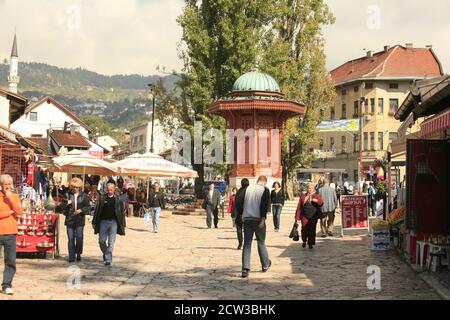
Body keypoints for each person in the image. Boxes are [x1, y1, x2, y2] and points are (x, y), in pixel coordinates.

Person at [236, 176, 271, 278]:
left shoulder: (247, 189)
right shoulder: (265, 190)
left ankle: (245, 268)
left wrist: (242, 213)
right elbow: (264, 205)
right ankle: (265, 264)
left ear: (257, 181)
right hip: (258, 219)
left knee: (247, 244)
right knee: (261, 242)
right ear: (264, 182)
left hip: (247, 219)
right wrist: (263, 219)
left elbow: (238, 201)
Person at [92, 181, 126, 266]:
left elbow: (122, 213)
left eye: (111, 189)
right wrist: (94, 222)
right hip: (103, 222)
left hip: (113, 222)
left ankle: (108, 259)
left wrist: (123, 223)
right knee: (101, 241)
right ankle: (107, 253)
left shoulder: (118, 199)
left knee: (111, 242)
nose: (109, 191)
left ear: (114, 190)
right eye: (108, 189)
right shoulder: (102, 198)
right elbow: (97, 211)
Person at [0, 175, 23, 295]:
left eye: (9, 184)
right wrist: (8, 212)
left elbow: (19, 212)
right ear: (1, 185)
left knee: (10, 261)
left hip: (11, 233)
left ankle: (7, 285)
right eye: (5, 184)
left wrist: (10, 199)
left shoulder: (14, 196)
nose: (7, 186)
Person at [59, 178, 90, 263]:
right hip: (70, 219)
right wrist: (66, 203)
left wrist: (81, 210)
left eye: (76, 187)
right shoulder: (67, 194)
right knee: (71, 238)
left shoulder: (84, 195)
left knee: (79, 237)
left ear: (79, 187)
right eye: (73, 187)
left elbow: (88, 207)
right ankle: (71, 256)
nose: (75, 189)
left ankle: (78, 253)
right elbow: (61, 207)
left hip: (80, 219)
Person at [295, 183, 324, 249]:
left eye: (311, 188)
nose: (310, 189)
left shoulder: (316, 196)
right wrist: (297, 217)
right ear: (307, 189)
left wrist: (316, 201)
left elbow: (321, 203)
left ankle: (310, 243)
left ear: (313, 189)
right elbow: (299, 207)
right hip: (304, 215)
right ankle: (304, 241)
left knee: (312, 229)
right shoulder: (303, 196)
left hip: (313, 215)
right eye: (309, 188)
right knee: (304, 228)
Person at [232, 180, 249, 250]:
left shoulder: (238, 192)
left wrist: (234, 214)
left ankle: (240, 243)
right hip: (247, 214)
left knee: (239, 229)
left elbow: (235, 204)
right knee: (247, 230)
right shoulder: (249, 191)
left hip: (239, 213)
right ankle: (246, 244)